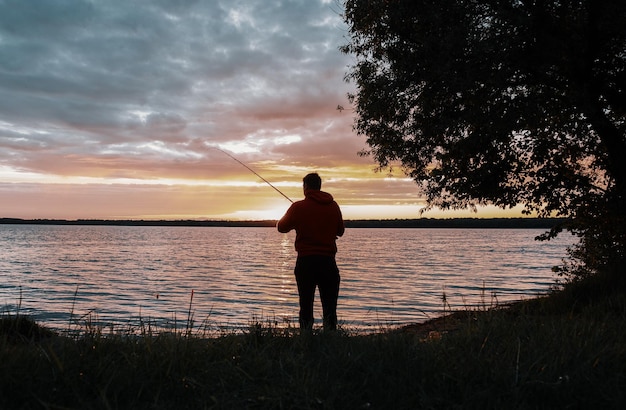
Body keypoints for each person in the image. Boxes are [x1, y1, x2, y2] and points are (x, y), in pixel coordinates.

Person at [277, 173, 345, 331]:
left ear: (306, 187)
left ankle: (306, 340)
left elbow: (281, 227)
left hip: (306, 263)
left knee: (306, 305)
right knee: (330, 307)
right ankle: (330, 341)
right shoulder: (333, 206)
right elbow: (340, 231)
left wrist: (294, 217)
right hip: (328, 262)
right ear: (319, 186)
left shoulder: (298, 207)